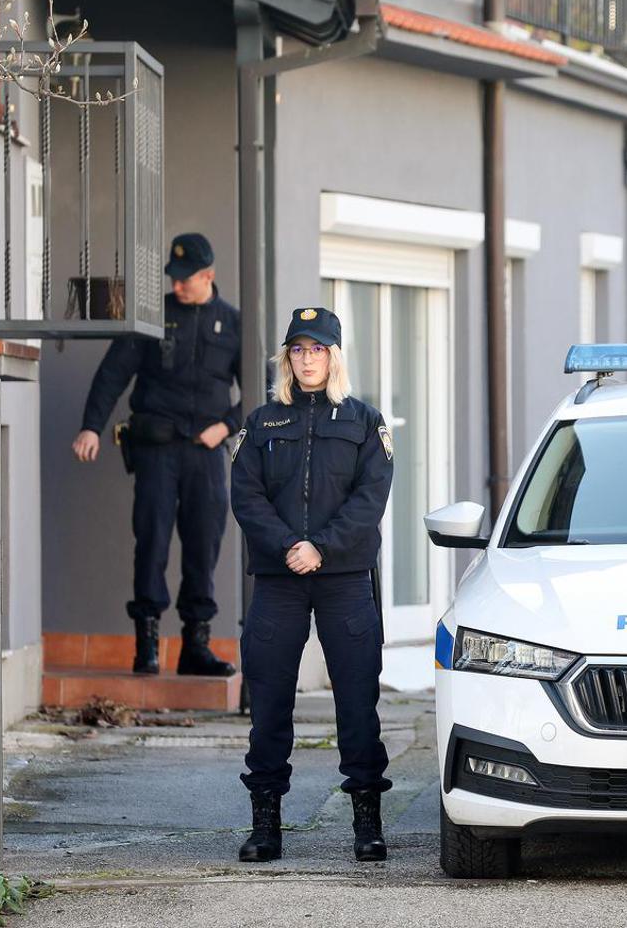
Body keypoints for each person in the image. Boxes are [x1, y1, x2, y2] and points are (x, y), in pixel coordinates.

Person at [230, 306, 395, 863]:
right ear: (287, 358)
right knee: (270, 703)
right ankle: (265, 825)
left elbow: (370, 500)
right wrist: (287, 548)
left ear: (335, 357)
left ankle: (367, 824)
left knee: (357, 701)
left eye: (317, 350)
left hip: (344, 580)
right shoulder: (261, 422)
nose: (307, 360)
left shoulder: (366, 422)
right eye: (298, 350)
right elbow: (245, 496)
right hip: (279, 581)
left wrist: (320, 546)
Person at [72, 233, 240, 680]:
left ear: (209, 275)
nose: (178, 285)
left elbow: (265, 391)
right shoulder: (153, 317)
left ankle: (195, 646)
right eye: (175, 277)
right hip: (157, 451)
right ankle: (146, 645)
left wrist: (225, 426)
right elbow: (112, 374)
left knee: (204, 547)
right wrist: (91, 425)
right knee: (152, 543)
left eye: (187, 278)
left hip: (205, 455)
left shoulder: (234, 323)